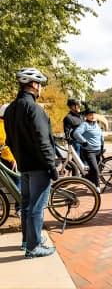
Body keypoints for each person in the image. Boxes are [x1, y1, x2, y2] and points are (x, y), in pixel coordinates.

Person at [4, 67, 57, 259]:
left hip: (24, 166)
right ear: (33, 85)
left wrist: (19, 158)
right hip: (38, 166)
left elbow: (9, 140)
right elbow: (43, 140)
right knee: (36, 207)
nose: (40, 88)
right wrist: (51, 166)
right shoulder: (34, 108)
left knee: (26, 205)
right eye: (40, 84)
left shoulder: (10, 109)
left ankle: (27, 241)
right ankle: (33, 248)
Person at [73, 108, 104, 193]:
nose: (92, 116)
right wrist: (84, 141)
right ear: (86, 116)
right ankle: (97, 187)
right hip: (89, 151)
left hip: (98, 150)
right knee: (95, 169)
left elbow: (100, 135)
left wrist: (102, 145)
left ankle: (87, 181)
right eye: (90, 114)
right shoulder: (85, 124)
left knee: (93, 170)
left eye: (93, 114)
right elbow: (76, 133)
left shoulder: (96, 124)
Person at [0, 103, 21, 216]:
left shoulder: (5, 124)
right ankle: (20, 207)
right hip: (8, 159)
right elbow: (3, 144)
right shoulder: (2, 125)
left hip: (10, 157)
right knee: (17, 181)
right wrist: (12, 159)